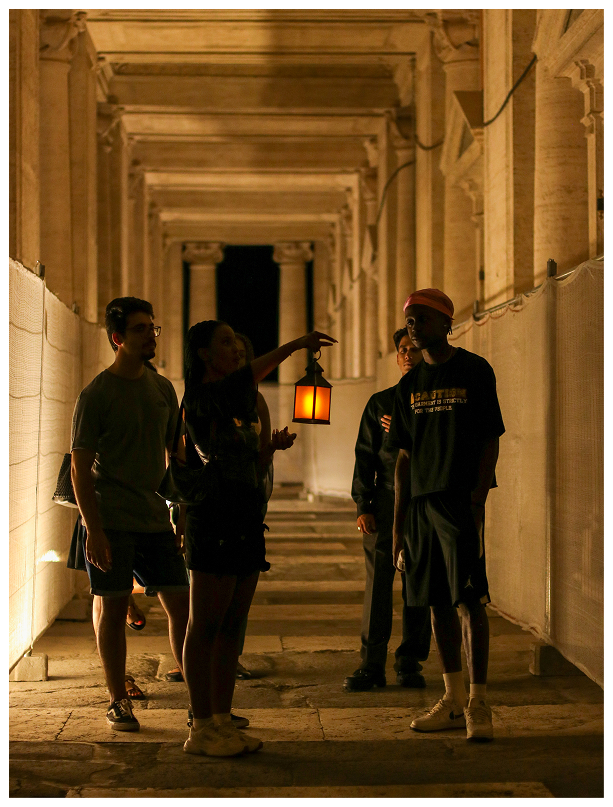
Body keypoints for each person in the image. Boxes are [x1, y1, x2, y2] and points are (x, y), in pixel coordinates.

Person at [181, 321, 335, 758]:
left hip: (246, 517)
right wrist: (295, 346)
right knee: (204, 624)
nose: (235, 348)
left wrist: (271, 449)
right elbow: (245, 380)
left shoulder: (244, 400)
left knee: (232, 625)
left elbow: (250, 461)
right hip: (213, 519)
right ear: (205, 355)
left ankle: (223, 720)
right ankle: (201, 726)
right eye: (226, 342)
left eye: (236, 339)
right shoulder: (203, 396)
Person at [388, 288, 505, 742]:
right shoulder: (407, 387)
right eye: (409, 321)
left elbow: (489, 437)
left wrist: (478, 497)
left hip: (458, 502)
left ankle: (479, 702)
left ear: (444, 323)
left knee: (468, 599)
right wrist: (399, 532)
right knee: (435, 600)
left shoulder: (474, 370)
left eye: (420, 319)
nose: (412, 328)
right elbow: (403, 461)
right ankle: (452, 698)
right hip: (420, 508)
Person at [71, 297, 190, 732]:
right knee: (114, 606)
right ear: (118, 338)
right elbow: (79, 467)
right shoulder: (96, 395)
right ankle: (118, 699)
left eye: (152, 328)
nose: (150, 336)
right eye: (141, 329)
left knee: (182, 604)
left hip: (154, 516)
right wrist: (93, 529)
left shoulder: (162, 389)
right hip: (113, 518)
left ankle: (200, 700)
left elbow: (176, 455)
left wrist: (181, 512)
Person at [345, 327, 431, 692]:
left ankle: (410, 661)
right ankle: (372, 663)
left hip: (423, 501)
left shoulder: (435, 401)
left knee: (417, 583)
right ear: (396, 358)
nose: (408, 354)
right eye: (402, 350)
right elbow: (365, 455)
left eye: (413, 348)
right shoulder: (380, 403)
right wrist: (363, 504)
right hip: (383, 500)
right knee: (379, 582)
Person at [233, 332, 295, 680]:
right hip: (213, 503)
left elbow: (261, 457)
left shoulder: (257, 402)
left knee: (241, 585)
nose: (237, 359)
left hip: (251, 497)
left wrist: (273, 447)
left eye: (243, 355)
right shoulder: (207, 399)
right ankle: (190, 657)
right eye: (230, 352)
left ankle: (231, 655)